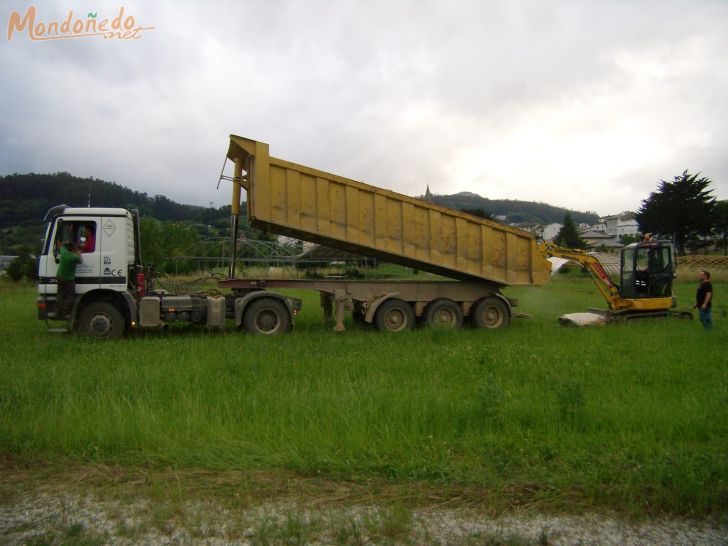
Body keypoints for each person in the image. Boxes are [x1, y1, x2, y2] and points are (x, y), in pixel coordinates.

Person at [56, 241, 82, 319]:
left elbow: (60, 246)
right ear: (74, 250)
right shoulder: (74, 257)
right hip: (68, 279)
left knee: (60, 295)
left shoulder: (64, 253)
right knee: (70, 297)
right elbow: (81, 261)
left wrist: (62, 244)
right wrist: (79, 253)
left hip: (59, 276)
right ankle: (65, 313)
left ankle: (57, 312)